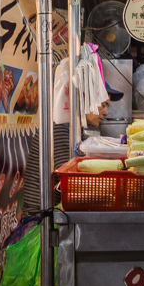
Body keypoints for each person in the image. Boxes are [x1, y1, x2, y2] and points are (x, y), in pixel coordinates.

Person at [22, 81, 124, 215]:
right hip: (40, 221)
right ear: (84, 99)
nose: (106, 112)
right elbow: (71, 180)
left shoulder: (74, 129)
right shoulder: (59, 127)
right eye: (103, 105)